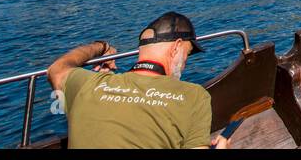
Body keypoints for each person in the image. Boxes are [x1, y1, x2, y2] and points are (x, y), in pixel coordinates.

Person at [47, 11, 226, 149]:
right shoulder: (194, 96)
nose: (185, 63)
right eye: (187, 54)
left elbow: (56, 69)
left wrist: (102, 47)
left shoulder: (88, 83)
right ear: (176, 47)